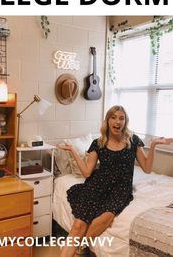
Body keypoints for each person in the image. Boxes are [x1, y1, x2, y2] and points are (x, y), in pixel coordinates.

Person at [58, 105, 173, 257]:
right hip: (97, 186)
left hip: (120, 190)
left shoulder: (133, 141)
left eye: (121, 118)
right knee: (78, 225)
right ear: (107, 121)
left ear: (125, 122)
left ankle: (80, 246)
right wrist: (72, 150)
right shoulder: (98, 143)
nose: (117, 121)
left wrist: (153, 145)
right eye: (113, 117)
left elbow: (146, 168)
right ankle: (76, 246)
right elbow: (86, 172)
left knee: (106, 217)